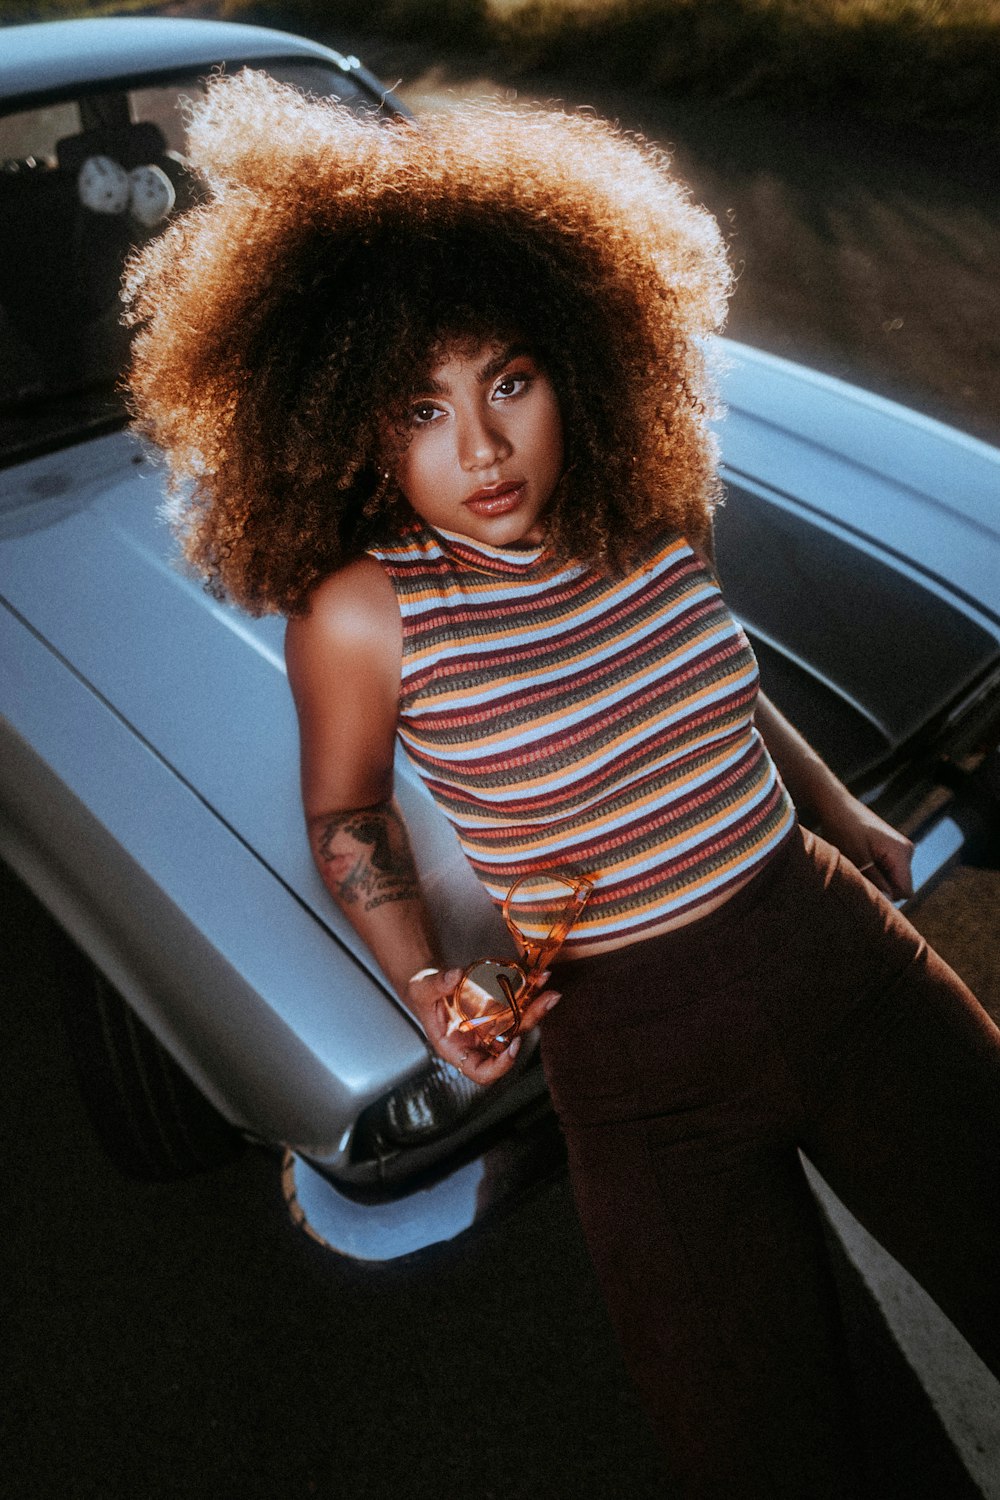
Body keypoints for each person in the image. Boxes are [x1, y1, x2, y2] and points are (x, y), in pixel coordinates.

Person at [125, 71, 1000, 1497]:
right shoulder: (362, 615)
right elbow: (347, 817)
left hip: (839, 951)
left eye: (509, 381)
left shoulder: (642, 501)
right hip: (636, 1063)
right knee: (764, 1447)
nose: (482, 449)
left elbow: (715, 687)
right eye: (421, 407)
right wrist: (429, 988)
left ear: (575, 357)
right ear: (345, 420)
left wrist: (844, 820)